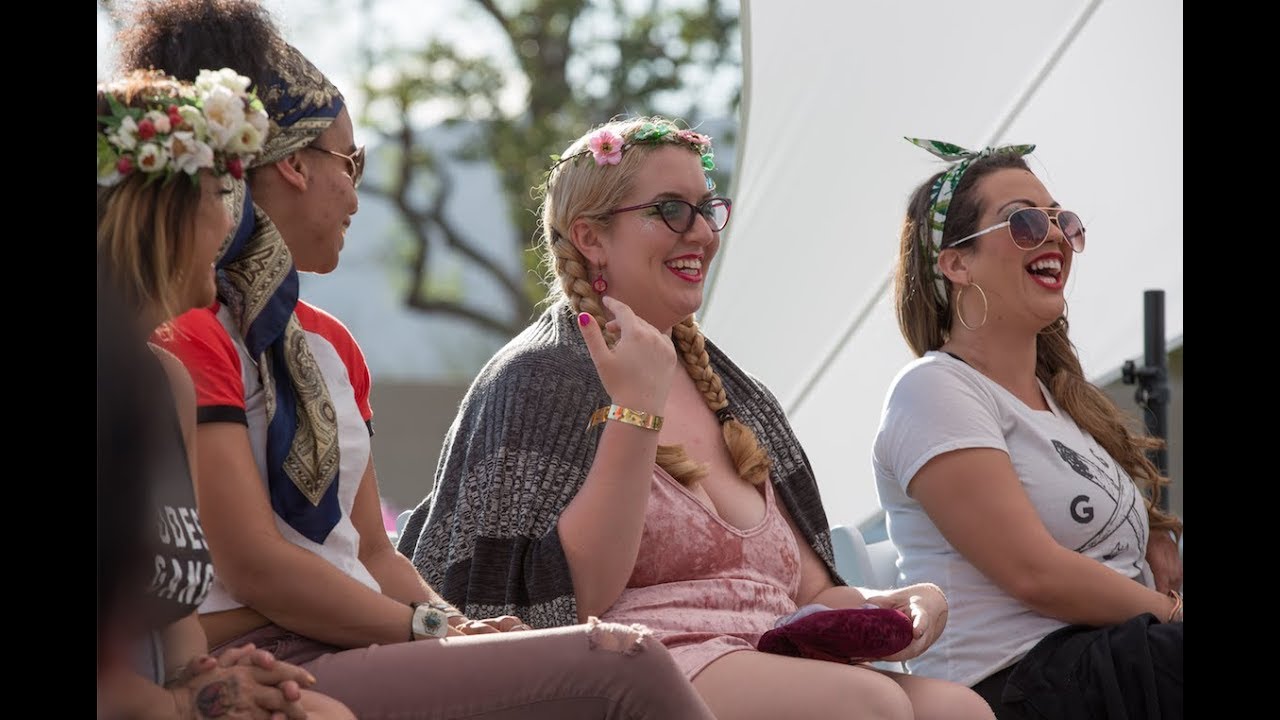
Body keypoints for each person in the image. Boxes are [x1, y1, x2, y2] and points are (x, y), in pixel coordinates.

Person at [120, 3, 720, 718]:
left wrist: (453, 624)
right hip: (282, 653)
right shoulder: (190, 336)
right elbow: (257, 566)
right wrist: (429, 629)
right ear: (294, 165)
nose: (355, 192)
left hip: (356, 639)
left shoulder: (330, 346)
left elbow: (374, 553)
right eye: (350, 162)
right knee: (624, 664)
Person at [397, 116, 996, 720]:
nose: (704, 232)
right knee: (867, 703)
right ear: (590, 237)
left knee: (960, 710)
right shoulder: (537, 379)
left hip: (770, 657)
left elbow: (811, 592)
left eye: (707, 209)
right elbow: (570, 602)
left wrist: (897, 602)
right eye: (671, 210)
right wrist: (635, 409)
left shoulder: (738, 393)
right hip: (630, 668)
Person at [872, 138, 1184, 718]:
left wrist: (1152, 533)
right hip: (1018, 683)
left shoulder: (1064, 405)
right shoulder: (933, 389)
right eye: (1023, 221)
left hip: (1110, 659)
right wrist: (1170, 615)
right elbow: (1034, 573)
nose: (1055, 234)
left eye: (1062, 220)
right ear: (956, 263)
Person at [95, 68, 355, 719]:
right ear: (162, 214)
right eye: (220, 193)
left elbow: (176, 622)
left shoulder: (163, 381)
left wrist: (215, 683)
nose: (232, 218)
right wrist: (182, 706)